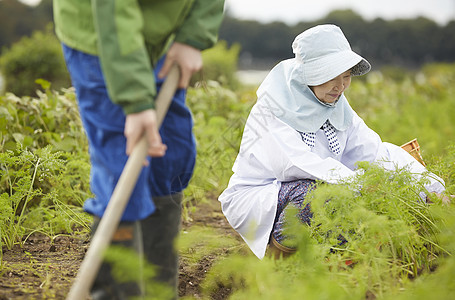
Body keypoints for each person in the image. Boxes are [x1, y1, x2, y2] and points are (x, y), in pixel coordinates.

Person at [218, 24, 447, 260]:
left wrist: (431, 187)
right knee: (316, 194)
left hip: (324, 186)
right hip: (262, 195)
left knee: (358, 195)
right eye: (331, 77)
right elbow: (295, 164)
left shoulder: (337, 105)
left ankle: (323, 258)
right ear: (308, 75)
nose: (340, 87)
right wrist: (361, 184)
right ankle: (279, 260)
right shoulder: (274, 107)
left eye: (346, 76)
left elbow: (375, 152)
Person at [52, 1, 225, 299]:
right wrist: (134, 98)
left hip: (162, 38)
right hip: (103, 33)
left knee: (171, 157)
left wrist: (194, 35)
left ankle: (158, 291)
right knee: (124, 163)